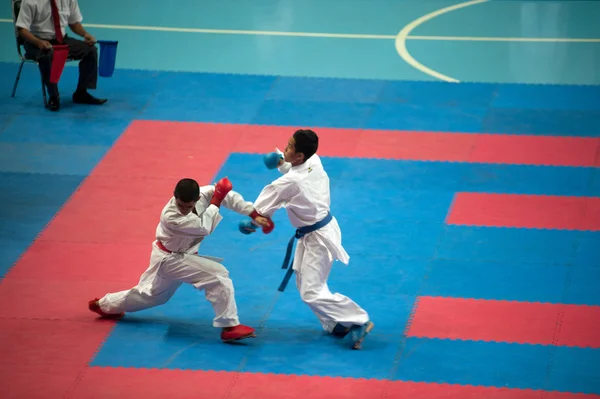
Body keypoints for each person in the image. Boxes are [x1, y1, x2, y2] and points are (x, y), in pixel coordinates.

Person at [88, 177, 273, 343]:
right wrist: (217, 198)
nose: (183, 209)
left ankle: (104, 305)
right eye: (180, 205)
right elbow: (204, 227)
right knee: (218, 275)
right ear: (174, 197)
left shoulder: (205, 193)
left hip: (183, 255)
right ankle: (229, 326)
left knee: (153, 296)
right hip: (170, 258)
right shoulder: (170, 216)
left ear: (197, 199)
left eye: (188, 206)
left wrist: (252, 213)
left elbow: (228, 196)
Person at [245, 129, 374, 349]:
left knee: (311, 291)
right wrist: (281, 162)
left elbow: (264, 206)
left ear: (300, 156)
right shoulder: (315, 159)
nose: (285, 148)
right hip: (321, 229)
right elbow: (295, 171)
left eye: (289, 146)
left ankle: (358, 320)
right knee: (303, 280)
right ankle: (335, 324)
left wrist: (252, 222)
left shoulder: (288, 183)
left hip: (319, 238)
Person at [15, 0, 107, 111]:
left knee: (90, 50)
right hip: (36, 42)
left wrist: (85, 34)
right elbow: (22, 30)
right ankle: (54, 96)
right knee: (46, 55)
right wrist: (39, 43)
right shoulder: (30, 1)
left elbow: (74, 23)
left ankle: (81, 93)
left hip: (61, 40)